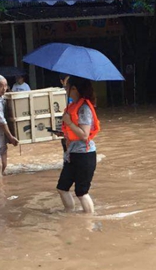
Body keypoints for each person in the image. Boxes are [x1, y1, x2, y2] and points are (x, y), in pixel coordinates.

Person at [57, 76, 100, 213]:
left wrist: (69, 123)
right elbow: (75, 132)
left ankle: (88, 220)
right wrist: (64, 132)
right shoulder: (72, 106)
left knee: (81, 192)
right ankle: (69, 213)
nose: (65, 90)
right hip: (72, 154)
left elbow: (84, 134)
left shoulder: (84, 108)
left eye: (66, 87)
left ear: (74, 89)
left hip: (84, 155)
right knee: (62, 188)